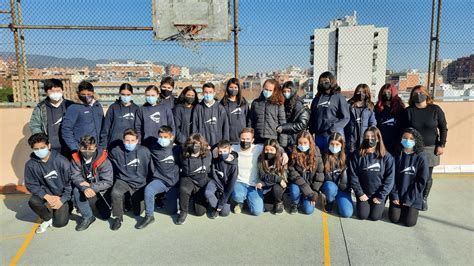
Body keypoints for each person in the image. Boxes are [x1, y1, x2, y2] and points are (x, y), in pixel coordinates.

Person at [406, 85, 447, 211]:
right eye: (415, 93)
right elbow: (403, 129)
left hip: (430, 148)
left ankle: (424, 198)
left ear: (427, 94)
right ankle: (413, 197)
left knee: (427, 176)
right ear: (412, 96)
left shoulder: (435, 109)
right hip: (413, 148)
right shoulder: (409, 111)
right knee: (412, 174)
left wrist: (441, 144)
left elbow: (443, 127)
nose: (418, 95)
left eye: (421, 92)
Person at [24, 133, 72, 234]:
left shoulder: (62, 161)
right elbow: (30, 184)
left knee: (60, 223)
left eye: (42, 147)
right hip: (46, 193)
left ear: (49, 146)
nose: (40, 151)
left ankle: (68, 206)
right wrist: (46, 196)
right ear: (32, 149)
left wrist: (62, 200)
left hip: (61, 195)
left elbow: (70, 184)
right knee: (33, 201)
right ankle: (47, 217)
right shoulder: (30, 165)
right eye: (36, 149)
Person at [136, 125, 180, 229]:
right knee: (149, 189)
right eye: (161, 137)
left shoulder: (178, 149)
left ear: (171, 137)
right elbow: (140, 151)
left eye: (165, 137)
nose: (163, 139)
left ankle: (173, 201)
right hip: (160, 181)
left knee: (172, 212)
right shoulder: (153, 148)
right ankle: (149, 216)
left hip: (174, 184)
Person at [108, 128, 151, 230]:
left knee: (137, 212)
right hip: (123, 181)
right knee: (116, 193)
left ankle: (132, 201)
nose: (129, 143)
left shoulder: (145, 151)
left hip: (140, 183)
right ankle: (118, 218)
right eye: (127, 140)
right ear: (123, 140)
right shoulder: (116, 151)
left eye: (132, 140)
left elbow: (151, 170)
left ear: (137, 141)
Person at [348, 126, 395, 221]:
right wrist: (360, 193)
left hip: (378, 194)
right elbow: (353, 176)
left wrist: (381, 196)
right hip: (363, 193)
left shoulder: (387, 157)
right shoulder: (357, 155)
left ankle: (380, 204)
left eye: (373, 137)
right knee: (362, 215)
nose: (369, 139)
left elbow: (390, 179)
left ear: (378, 139)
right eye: (367, 137)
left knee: (375, 217)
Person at [71, 135, 113, 231]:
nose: (87, 152)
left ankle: (96, 204)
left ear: (95, 147)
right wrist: (84, 188)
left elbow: (108, 181)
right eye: (84, 149)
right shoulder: (76, 158)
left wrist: (91, 186)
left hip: (100, 191)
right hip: (85, 189)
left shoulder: (103, 160)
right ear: (79, 147)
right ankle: (88, 216)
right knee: (76, 189)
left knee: (105, 216)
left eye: (90, 149)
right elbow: (75, 176)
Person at [389, 128, 429, 227]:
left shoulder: (421, 157)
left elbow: (421, 181)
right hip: (397, 195)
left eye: (411, 138)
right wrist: (394, 195)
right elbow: (390, 177)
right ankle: (401, 209)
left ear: (416, 140)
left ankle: (410, 209)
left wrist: (409, 199)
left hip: (413, 196)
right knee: (394, 219)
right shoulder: (396, 155)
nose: (407, 141)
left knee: (409, 223)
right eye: (405, 138)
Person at [29, 78, 74, 156]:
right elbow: (35, 125)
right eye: (52, 91)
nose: (55, 93)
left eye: (58, 90)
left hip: (69, 147)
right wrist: (43, 143)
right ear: (46, 92)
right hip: (50, 149)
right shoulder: (40, 108)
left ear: (62, 90)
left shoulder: (71, 105)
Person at [309, 72, 350, 152]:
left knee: (332, 159)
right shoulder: (316, 99)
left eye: (326, 81)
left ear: (332, 81)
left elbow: (346, 117)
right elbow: (313, 117)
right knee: (320, 158)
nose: (323, 83)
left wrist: (333, 129)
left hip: (333, 135)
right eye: (321, 81)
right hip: (319, 135)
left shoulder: (339, 97)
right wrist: (311, 131)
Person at [177, 133, 212, 225]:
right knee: (184, 188)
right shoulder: (184, 154)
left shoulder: (208, 153)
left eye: (197, 144)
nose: (194, 147)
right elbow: (187, 171)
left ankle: (195, 197)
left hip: (202, 180)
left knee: (199, 212)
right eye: (191, 144)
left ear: (202, 144)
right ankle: (183, 211)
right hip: (189, 179)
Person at [61, 81, 104, 153]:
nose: (86, 96)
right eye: (83, 94)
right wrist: (74, 148)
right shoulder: (74, 108)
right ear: (78, 94)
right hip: (81, 149)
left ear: (93, 93)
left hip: (96, 148)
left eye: (89, 94)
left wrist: (102, 146)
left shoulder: (97, 106)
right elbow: (66, 129)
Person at [287, 131, 323, 215]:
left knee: (308, 211)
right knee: (294, 189)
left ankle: (304, 197)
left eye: (305, 143)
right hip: (298, 183)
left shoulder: (317, 153)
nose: (302, 145)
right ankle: (295, 203)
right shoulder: (293, 152)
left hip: (310, 187)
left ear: (310, 142)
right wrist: (308, 191)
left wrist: (314, 192)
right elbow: (292, 171)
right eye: (300, 143)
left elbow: (319, 175)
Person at [231, 128, 265, 216]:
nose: (244, 141)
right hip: (239, 182)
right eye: (242, 139)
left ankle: (248, 199)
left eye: (247, 139)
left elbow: (274, 147)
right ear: (239, 139)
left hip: (253, 185)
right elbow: (222, 148)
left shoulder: (258, 148)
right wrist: (215, 149)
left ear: (252, 140)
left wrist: (283, 153)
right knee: (237, 195)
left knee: (257, 212)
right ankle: (240, 202)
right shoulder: (234, 148)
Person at [321, 132, 353, 218]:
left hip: (343, 189)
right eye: (332, 144)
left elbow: (353, 175)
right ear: (329, 144)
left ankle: (340, 200)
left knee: (347, 213)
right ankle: (329, 200)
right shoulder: (324, 156)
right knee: (330, 187)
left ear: (342, 145)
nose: (334, 146)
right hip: (330, 187)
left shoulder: (348, 157)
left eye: (337, 144)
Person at [248, 79, 287, 147]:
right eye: (266, 89)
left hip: (272, 140)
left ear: (274, 91)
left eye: (270, 90)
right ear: (263, 88)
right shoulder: (255, 103)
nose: (267, 92)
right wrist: (249, 137)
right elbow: (250, 122)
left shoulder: (278, 104)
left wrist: (282, 146)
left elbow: (282, 124)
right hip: (257, 139)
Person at [99, 83, 139, 150]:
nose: (125, 96)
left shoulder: (136, 109)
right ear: (119, 94)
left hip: (129, 145)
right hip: (113, 145)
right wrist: (103, 146)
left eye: (128, 94)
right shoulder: (113, 108)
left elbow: (138, 129)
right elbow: (106, 128)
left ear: (132, 94)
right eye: (123, 94)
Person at [205, 140, 238, 218]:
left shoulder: (234, 166)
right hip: (215, 182)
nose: (222, 153)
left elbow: (230, 187)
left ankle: (218, 205)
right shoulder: (216, 158)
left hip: (226, 188)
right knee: (208, 192)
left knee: (224, 213)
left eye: (225, 151)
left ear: (230, 151)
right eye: (220, 151)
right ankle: (216, 208)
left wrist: (221, 203)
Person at [256, 139, 289, 214]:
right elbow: (262, 175)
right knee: (267, 208)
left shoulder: (281, 158)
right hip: (266, 184)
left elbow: (284, 178)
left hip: (278, 185)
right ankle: (271, 197)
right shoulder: (261, 159)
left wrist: (279, 179)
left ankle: (279, 202)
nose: (269, 152)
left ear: (276, 150)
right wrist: (277, 178)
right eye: (266, 150)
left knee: (276, 189)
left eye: (271, 150)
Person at [192, 83, 229, 147]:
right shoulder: (198, 108)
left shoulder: (220, 108)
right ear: (202, 93)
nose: (208, 94)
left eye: (210, 92)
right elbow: (194, 127)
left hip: (217, 145)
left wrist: (224, 145)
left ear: (214, 93)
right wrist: (198, 143)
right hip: (202, 145)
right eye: (206, 92)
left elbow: (225, 128)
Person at [374, 83, 407, 155]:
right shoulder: (377, 109)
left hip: (396, 143)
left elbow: (404, 127)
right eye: (384, 93)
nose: (386, 94)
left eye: (389, 92)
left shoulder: (400, 109)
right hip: (382, 143)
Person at [277, 81, 310, 149]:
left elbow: (302, 124)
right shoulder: (284, 103)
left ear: (293, 91)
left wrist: (284, 127)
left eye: (288, 91)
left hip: (295, 137)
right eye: (284, 91)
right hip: (286, 136)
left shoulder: (298, 104)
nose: (286, 93)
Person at [345, 84, 377, 153]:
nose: (361, 94)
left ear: (367, 94)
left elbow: (372, 123)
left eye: (363, 92)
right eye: (359, 92)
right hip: (351, 140)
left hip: (364, 139)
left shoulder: (369, 107)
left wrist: (370, 137)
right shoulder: (348, 105)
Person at [220, 78, 249, 145]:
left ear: (239, 88)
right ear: (227, 88)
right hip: (228, 140)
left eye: (235, 87)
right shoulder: (223, 103)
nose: (233, 89)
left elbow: (248, 119)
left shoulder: (243, 102)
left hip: (242, 139)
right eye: (231, 87)